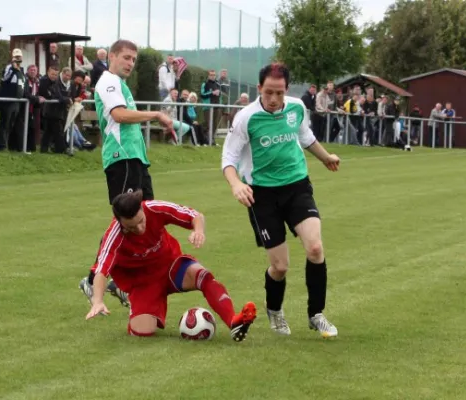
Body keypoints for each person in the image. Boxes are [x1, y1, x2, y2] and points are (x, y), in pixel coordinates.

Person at [221, 62, 340, 338]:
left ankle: (316, 314)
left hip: (297, 186)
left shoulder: (297, 108)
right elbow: (229, 158)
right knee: (280, 266)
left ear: (287, 90)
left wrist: (326, 158)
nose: (274, 99)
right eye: (269, 93)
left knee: (315, 248)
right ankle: (274, 310)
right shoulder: (246, 118)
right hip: (261, 194)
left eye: (280, 93)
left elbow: (305, 137)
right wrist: (236, 183)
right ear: (259, 88)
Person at [85, 191, 257, 341]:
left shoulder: (154, 208)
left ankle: (233, 321)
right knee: (143, 332)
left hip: (170, 266)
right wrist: (98, 301)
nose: (139, 228)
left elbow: (194, 215)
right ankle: (128, 297)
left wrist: (198, 231)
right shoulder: (114, 236)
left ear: (142, 210)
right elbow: (102, 271)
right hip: (144, 284)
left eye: (141, 221)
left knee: (202, 276)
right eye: (132, 227)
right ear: (120, 222)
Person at [78, 39, 173, 306]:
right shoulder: (108, 81)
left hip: (135, 159)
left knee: (146, 219)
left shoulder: (119, 85)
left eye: (133, 59)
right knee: (126, 220)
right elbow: (119, 115)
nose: (130, 63)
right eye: (126, 57)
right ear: (112, 56)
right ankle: (94, 278)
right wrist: (155, 114)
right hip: (122, 159)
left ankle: (122, 282)